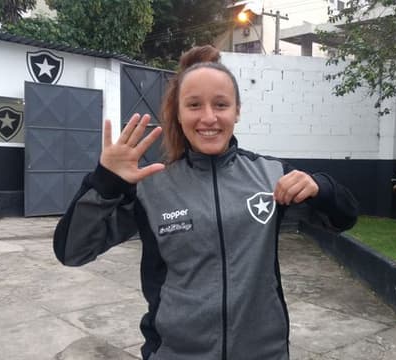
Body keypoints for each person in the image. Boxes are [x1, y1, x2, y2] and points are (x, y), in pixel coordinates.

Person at [53, 45, 358, 359]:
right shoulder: (151, 188)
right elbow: (72, 251)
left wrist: (320, 187)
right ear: (179, 113)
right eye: (194, 105)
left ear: (237, 110)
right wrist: (105, 181)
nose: (209, 117)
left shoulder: (270, 176)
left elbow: (344, 218)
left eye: (221, 104)